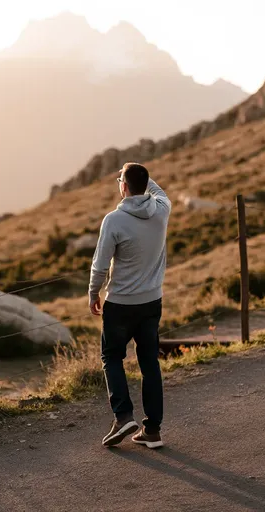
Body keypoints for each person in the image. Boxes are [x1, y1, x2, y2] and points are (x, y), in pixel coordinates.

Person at [88, 162, 171, 448]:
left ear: (123, 186)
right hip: (152, 301)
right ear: (146, 184)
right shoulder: (162, 210)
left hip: (120, 304)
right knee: (150, 363)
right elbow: (156, 189)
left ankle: (123, 416)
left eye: (120, 181)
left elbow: (99, 266)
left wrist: (92, 294)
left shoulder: (114, 220)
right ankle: (152, 431)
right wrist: (137, 175)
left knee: (112, 357)